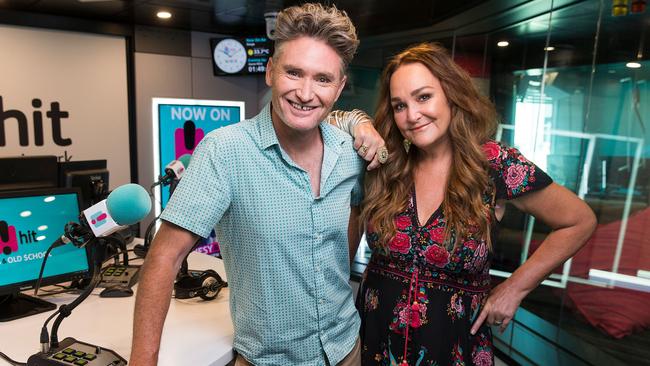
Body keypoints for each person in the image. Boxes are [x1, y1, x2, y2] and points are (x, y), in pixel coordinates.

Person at [130, 3, 385, 366]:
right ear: (270, 71)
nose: (306, 92)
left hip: (346, 348)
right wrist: (143, 360)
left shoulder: (350, 154)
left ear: (340, 87)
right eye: (293, 73)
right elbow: (164, 257)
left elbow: (352, 217)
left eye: (323, 79)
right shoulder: (225, 151)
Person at [357, 43, 597, 366]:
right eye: (399, 105)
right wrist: (357, 122)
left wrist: (515, 288)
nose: (412, 115)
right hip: (373, 346)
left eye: (423, 97)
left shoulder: (493, 166)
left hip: (456, 353)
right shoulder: (386, 164)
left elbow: (579, 220)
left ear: (451, 94)